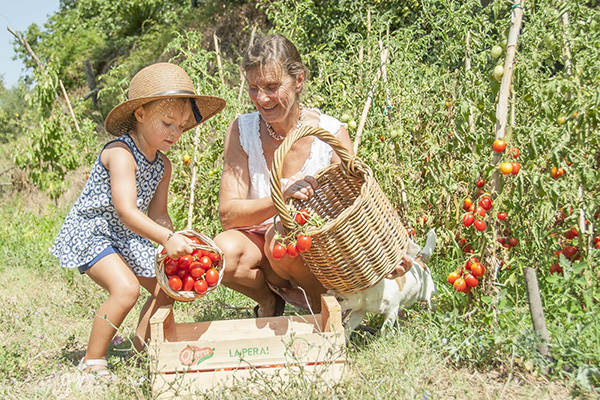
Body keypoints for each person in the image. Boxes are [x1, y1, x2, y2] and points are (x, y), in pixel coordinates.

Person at [214, 34, 412, 318]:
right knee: (224, 250)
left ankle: (327, 310)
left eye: (271, 86)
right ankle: (269, 302)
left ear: (298, 80)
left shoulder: (330, 134)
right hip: (261, 249)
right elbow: (229, 215)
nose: (262, 98)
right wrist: (280, 199)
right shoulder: (241, 130)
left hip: (315, 259)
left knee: (280, 236)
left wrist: (386, 253)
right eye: (254, 88)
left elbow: (360, 209)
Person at [50, 63, 226, 381]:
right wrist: (164, 239)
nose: (176, 133)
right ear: (141, 113)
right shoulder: (121, 154)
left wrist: (174, 236)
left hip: (128, 235)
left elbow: (157, 213)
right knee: (126, 289)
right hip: (94, 231)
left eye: (183, 126)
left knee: (167, 287)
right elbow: (127, 211)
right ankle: (92, 362)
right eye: (168, 123)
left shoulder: (163, 165)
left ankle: (140, 352)